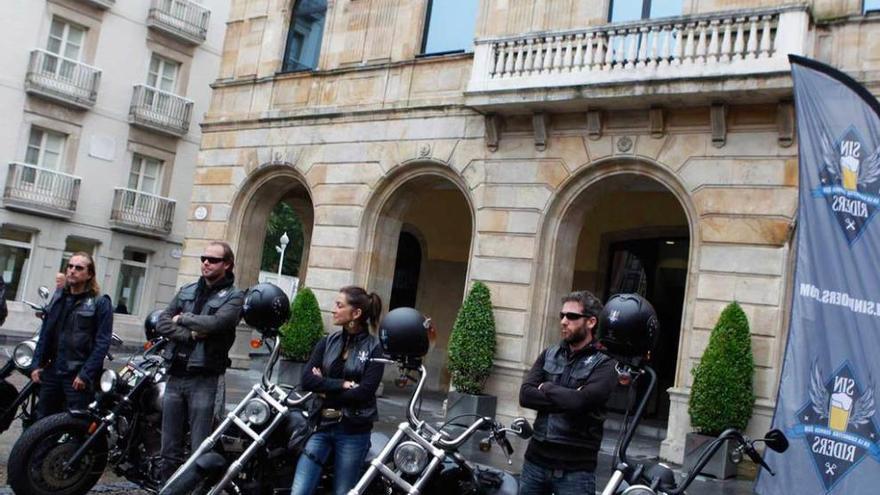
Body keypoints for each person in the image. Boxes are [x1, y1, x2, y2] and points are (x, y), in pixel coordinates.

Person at [156, 241, 244, 482]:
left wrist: (182, 318)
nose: (206, 262)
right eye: (204, 258)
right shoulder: (187, 289)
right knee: (168, 447)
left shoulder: (235, 297)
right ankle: (167, 487)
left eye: (213, 260)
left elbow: (217, 324)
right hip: (176, 373)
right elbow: (162, 322)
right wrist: (191, 334)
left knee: (200, 447)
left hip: (204, 377)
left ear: (227, 265)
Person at [518, 291, 619, 495]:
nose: (564, 321)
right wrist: (570, 396)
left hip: (576, 471)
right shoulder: (550, 353)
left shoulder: (605, 362)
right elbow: (525, 395)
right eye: (562, 315)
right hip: (535, 462)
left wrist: (546, 388)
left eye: (572, 316)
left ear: (591, 322)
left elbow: (581, 403)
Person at [291, 286, 385, 495]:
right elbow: (306, 380)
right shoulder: (328, 341)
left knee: (343, 491)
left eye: (339, 305)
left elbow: (364, 393)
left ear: (356, 313)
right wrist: (341, 385)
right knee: (299, 490)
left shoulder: (374, 348)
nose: (333, 310)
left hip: (353, 431)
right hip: (321, 425)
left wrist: (323, 386)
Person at [30, 253, 113, 419]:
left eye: (79, 268)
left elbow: (102, 343)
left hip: (77, 376)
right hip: (53, 370)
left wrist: (85, 374)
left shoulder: (100, 303)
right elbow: (46, 333)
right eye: (70, 266)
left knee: (76, 423)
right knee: (41, 423)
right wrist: (36, 364)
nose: (72, 271)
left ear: (89, 274)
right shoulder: (60, 298)